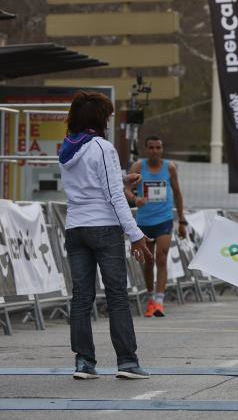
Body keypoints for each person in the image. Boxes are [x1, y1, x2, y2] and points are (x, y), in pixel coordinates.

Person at [59, 91, 153, 380]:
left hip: (76, 227)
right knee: (116, 296)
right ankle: (126, 362)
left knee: (81, 298)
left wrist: (122, 178)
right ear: (100, 119)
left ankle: (84, 362)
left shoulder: (67, 148)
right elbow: (113, 196)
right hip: (104, 228)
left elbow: (89, 185)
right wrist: (135, 234)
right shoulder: (102, 147)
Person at [124, 136, 186, 317]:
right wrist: (135, 199)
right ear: (146, 149)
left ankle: (159, 301)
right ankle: (150, 298)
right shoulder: (138, 167)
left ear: (162, 149)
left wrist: (181, 220)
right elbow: (125, 188)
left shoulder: (169, 167)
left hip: (164, 220)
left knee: (161, 257)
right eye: (151, 148)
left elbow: (177, 193)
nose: (155, 151)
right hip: (144, 222)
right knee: (149, 261)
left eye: (158, 147)